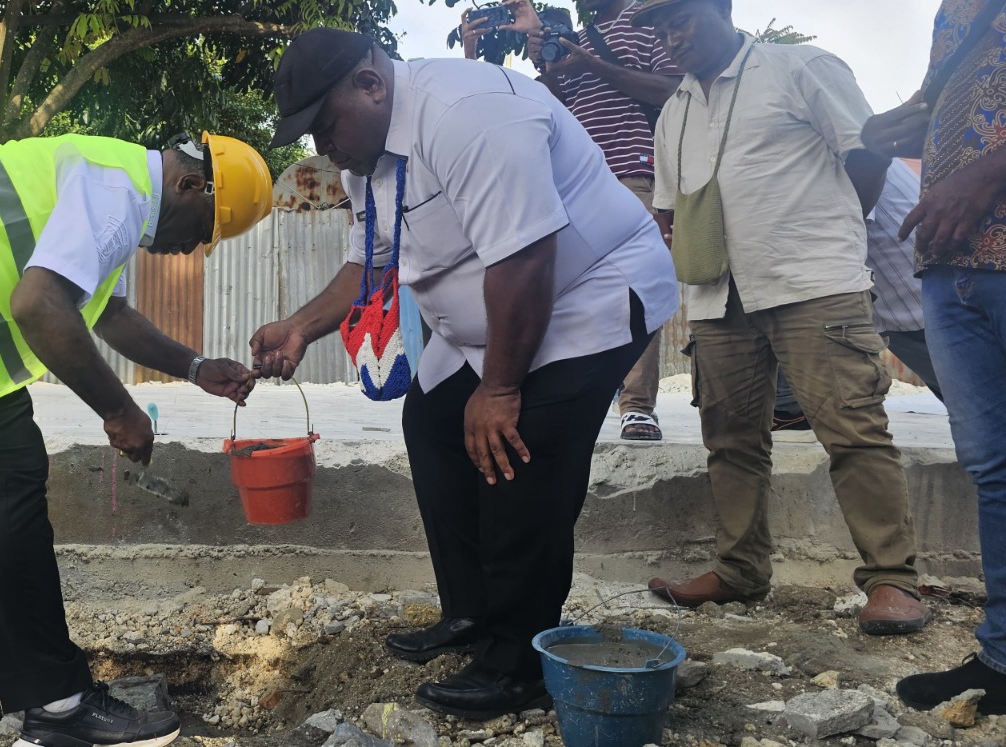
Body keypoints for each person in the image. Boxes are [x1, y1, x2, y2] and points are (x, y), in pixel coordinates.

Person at [253, 28, 677, 719]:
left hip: (588, 291)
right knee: (431, 422)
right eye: (312, 134)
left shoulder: (468, 116)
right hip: (494, 314)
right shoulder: (366, 158)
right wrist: (301, 326)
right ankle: (472, 613)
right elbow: (372, 264)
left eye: (325, 125)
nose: (323, 147)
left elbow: (527, 258)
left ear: (370, 84)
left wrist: (502, 389)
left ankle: (519, 660)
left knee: (517, 453)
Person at [0, 131, 270, 747]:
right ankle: (56, 705)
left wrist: (195, 367)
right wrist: (120, 412)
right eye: (205, 228)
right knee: (7, 470)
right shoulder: (114, 191)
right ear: (191, 185)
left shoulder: (112, 179)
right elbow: (40, 304)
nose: (193, 247)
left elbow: (107, 313)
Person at [634, 0, 931, 635]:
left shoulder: (800, 67)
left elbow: (865, 161)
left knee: (852, 432)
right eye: (656, 29)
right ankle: (740, 571)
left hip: (813, 285)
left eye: (678, 19)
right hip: (718, 298)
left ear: (719, 8)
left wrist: (829, 243)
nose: (668, 37)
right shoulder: (674, 112)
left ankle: (891, 581)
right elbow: (670, 212)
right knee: (731, 442)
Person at [464, 0, 681, 441]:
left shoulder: (646, 22)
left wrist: (592, 64)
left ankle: (637, 407)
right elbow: (561, 106)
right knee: (558, 289)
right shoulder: (575, 37)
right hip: (574, 180)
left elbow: (671, 90)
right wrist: (546, 61)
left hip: (630, 171)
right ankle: (576, 397)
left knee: (635, 288)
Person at [875, 0, 1006, 715]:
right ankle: (1004, 655)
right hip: (949, 263)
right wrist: (902, 126)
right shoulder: (955, 11)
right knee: (994, 468)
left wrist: (990, 172)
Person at [774, 161, 945, 430]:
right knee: (982, 421)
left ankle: (787, 407)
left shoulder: (836, 149)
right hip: (907, 303)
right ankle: (787, 406)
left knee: (986, 418)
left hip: (919, 301)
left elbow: (855, 191)